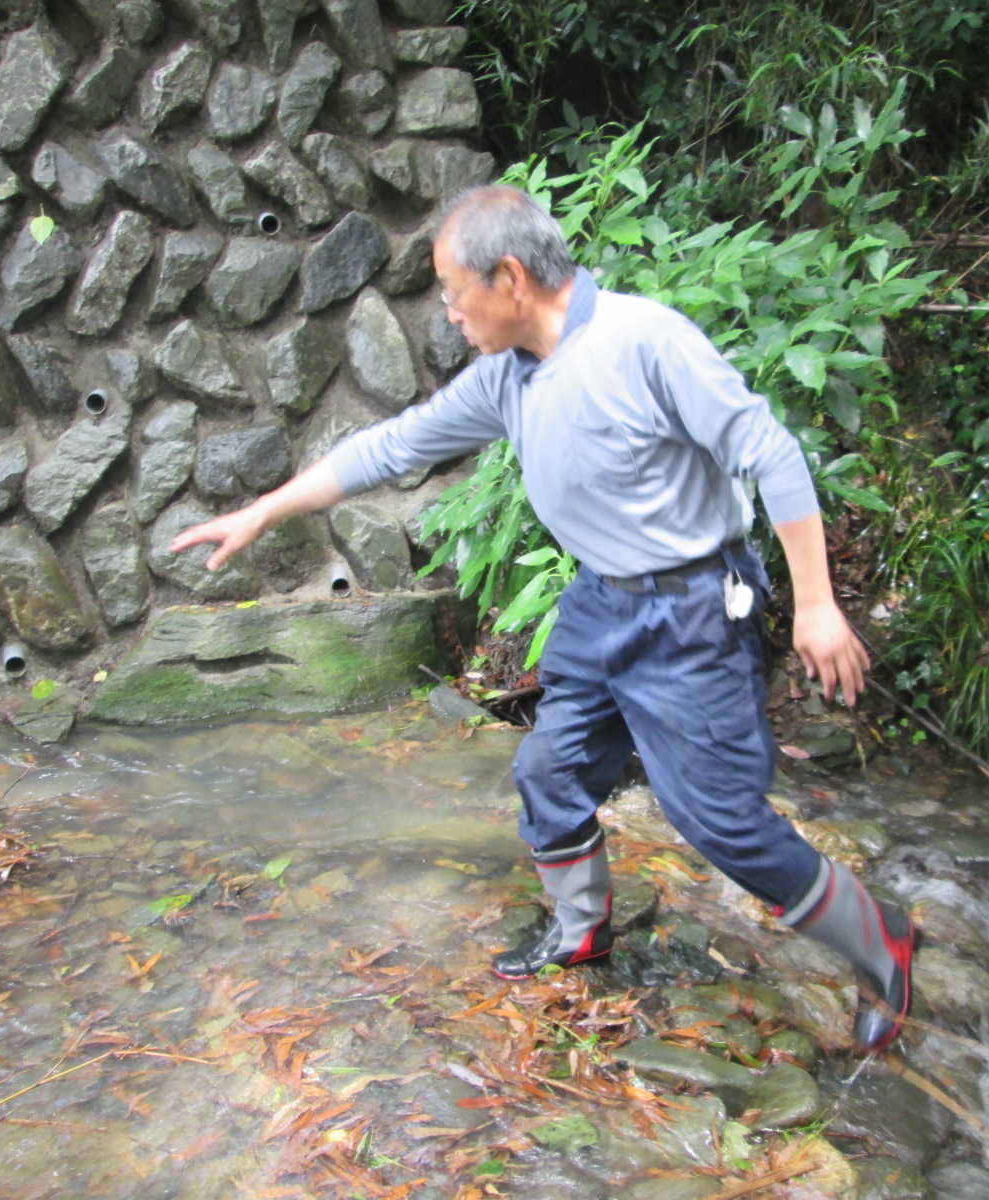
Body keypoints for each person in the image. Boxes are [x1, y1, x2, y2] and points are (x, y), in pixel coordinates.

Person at [168, 186, 915, 1053]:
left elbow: (771, 454)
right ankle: (580, 929)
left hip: (691, 613)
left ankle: (883, 941)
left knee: (721, 823)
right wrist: (264, 510)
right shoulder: (507, 376)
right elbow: (394, 445)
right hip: (602, 602)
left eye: (455, 294)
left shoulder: (644, 342)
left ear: (512, 278)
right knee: (549, 769)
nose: (451, 315)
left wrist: (816, 603)